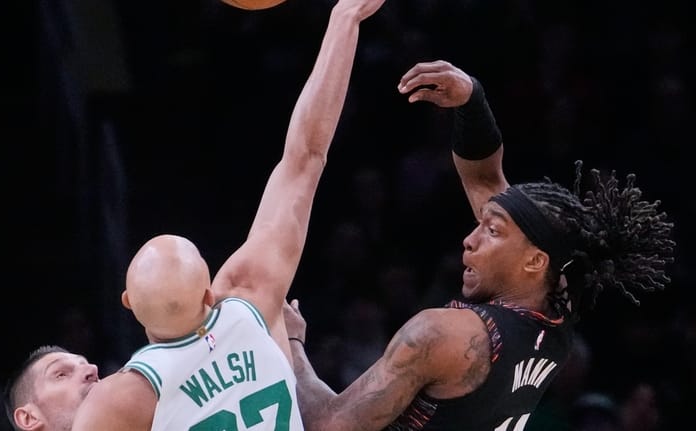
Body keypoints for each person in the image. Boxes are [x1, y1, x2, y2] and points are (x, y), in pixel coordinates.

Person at [2, 0, 387, 429]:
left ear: (129, 303)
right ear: (209, 293)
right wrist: (345, 18)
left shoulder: (122, 398)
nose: (90, 371)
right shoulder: (250, 296)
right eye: (62, 373)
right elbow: (305, 156)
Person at [283, 59, 676, 431]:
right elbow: (486, 181)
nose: (469, 240)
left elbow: (327, 425)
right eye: (481, 225)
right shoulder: (558, 302)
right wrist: (472, 101)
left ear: (534, 261)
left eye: (492, 231)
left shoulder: (441, 335)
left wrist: (290, 343)